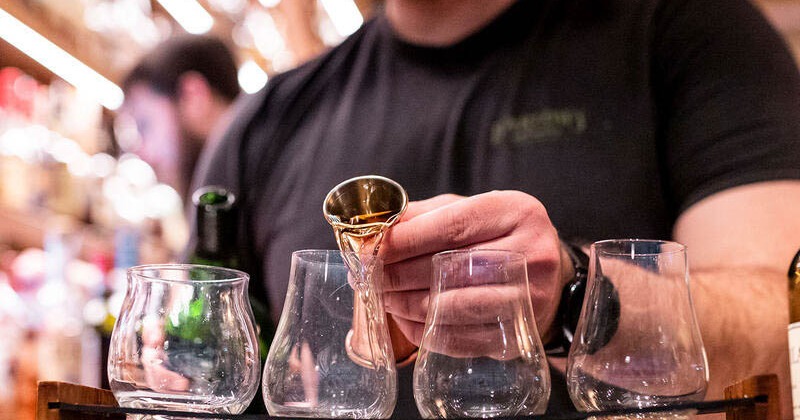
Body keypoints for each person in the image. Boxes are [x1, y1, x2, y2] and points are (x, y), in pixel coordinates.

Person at [193, 0, 800, 417]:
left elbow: (785, 335)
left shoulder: (693, 31)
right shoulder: (263, 124)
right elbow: (207, 361)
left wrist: (576, 298)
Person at [121, 34, 240, 202]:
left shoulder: (268, 180)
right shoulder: (236, 186)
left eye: (145, 125)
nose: (144, 153)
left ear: (193, 95)